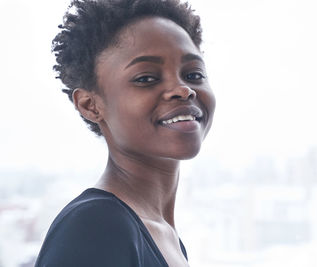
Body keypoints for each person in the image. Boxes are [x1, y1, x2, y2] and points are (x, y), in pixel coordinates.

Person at [34, 0, 216, 266]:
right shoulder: (96, 227)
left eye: (194, 74)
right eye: (146, 78)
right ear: (90, 105)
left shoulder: (164, 236)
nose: (183, 89)